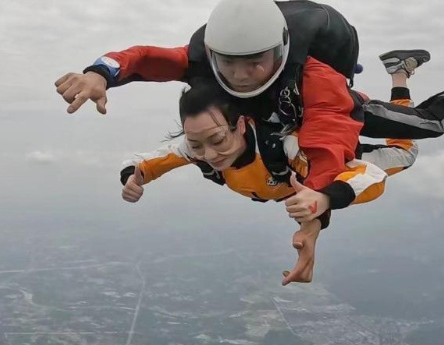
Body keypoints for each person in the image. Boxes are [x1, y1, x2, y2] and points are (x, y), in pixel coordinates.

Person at [57, 0, 444, 195]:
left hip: (331, 109)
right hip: (289, 126)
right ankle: (401, 69)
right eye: (229, 63)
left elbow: (327, 148)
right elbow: (144, 58)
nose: (241, 75)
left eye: (256, 62)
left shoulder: (312, 81)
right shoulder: (202, 66)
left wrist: (320, 205)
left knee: (425, 130)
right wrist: (100, 75)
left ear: (282, 52)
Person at [120, 52, 421, 284]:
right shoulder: (195, 146)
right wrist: (132, 178)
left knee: (405, 152)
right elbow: (145, 162)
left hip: (334, 137)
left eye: (217, 140)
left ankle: (399, 75)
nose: (209, 154)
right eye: (196, 144)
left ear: (241, 125)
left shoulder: (284, 146)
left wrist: (325, 199)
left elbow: (369, 176)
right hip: (289, 172)